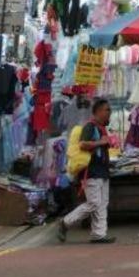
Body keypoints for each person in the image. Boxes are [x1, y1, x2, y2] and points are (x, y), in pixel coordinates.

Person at [58, 99, 115, 244]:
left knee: (102, 203)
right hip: (92, 172)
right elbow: (83, 144)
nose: (110, 113)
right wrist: (101, 142)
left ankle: (99, 234)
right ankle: (66, 222)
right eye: (107, 110)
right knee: (94, 203)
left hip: (102, 171)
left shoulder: (101, 128)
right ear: (99, 111)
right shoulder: (90, 127)